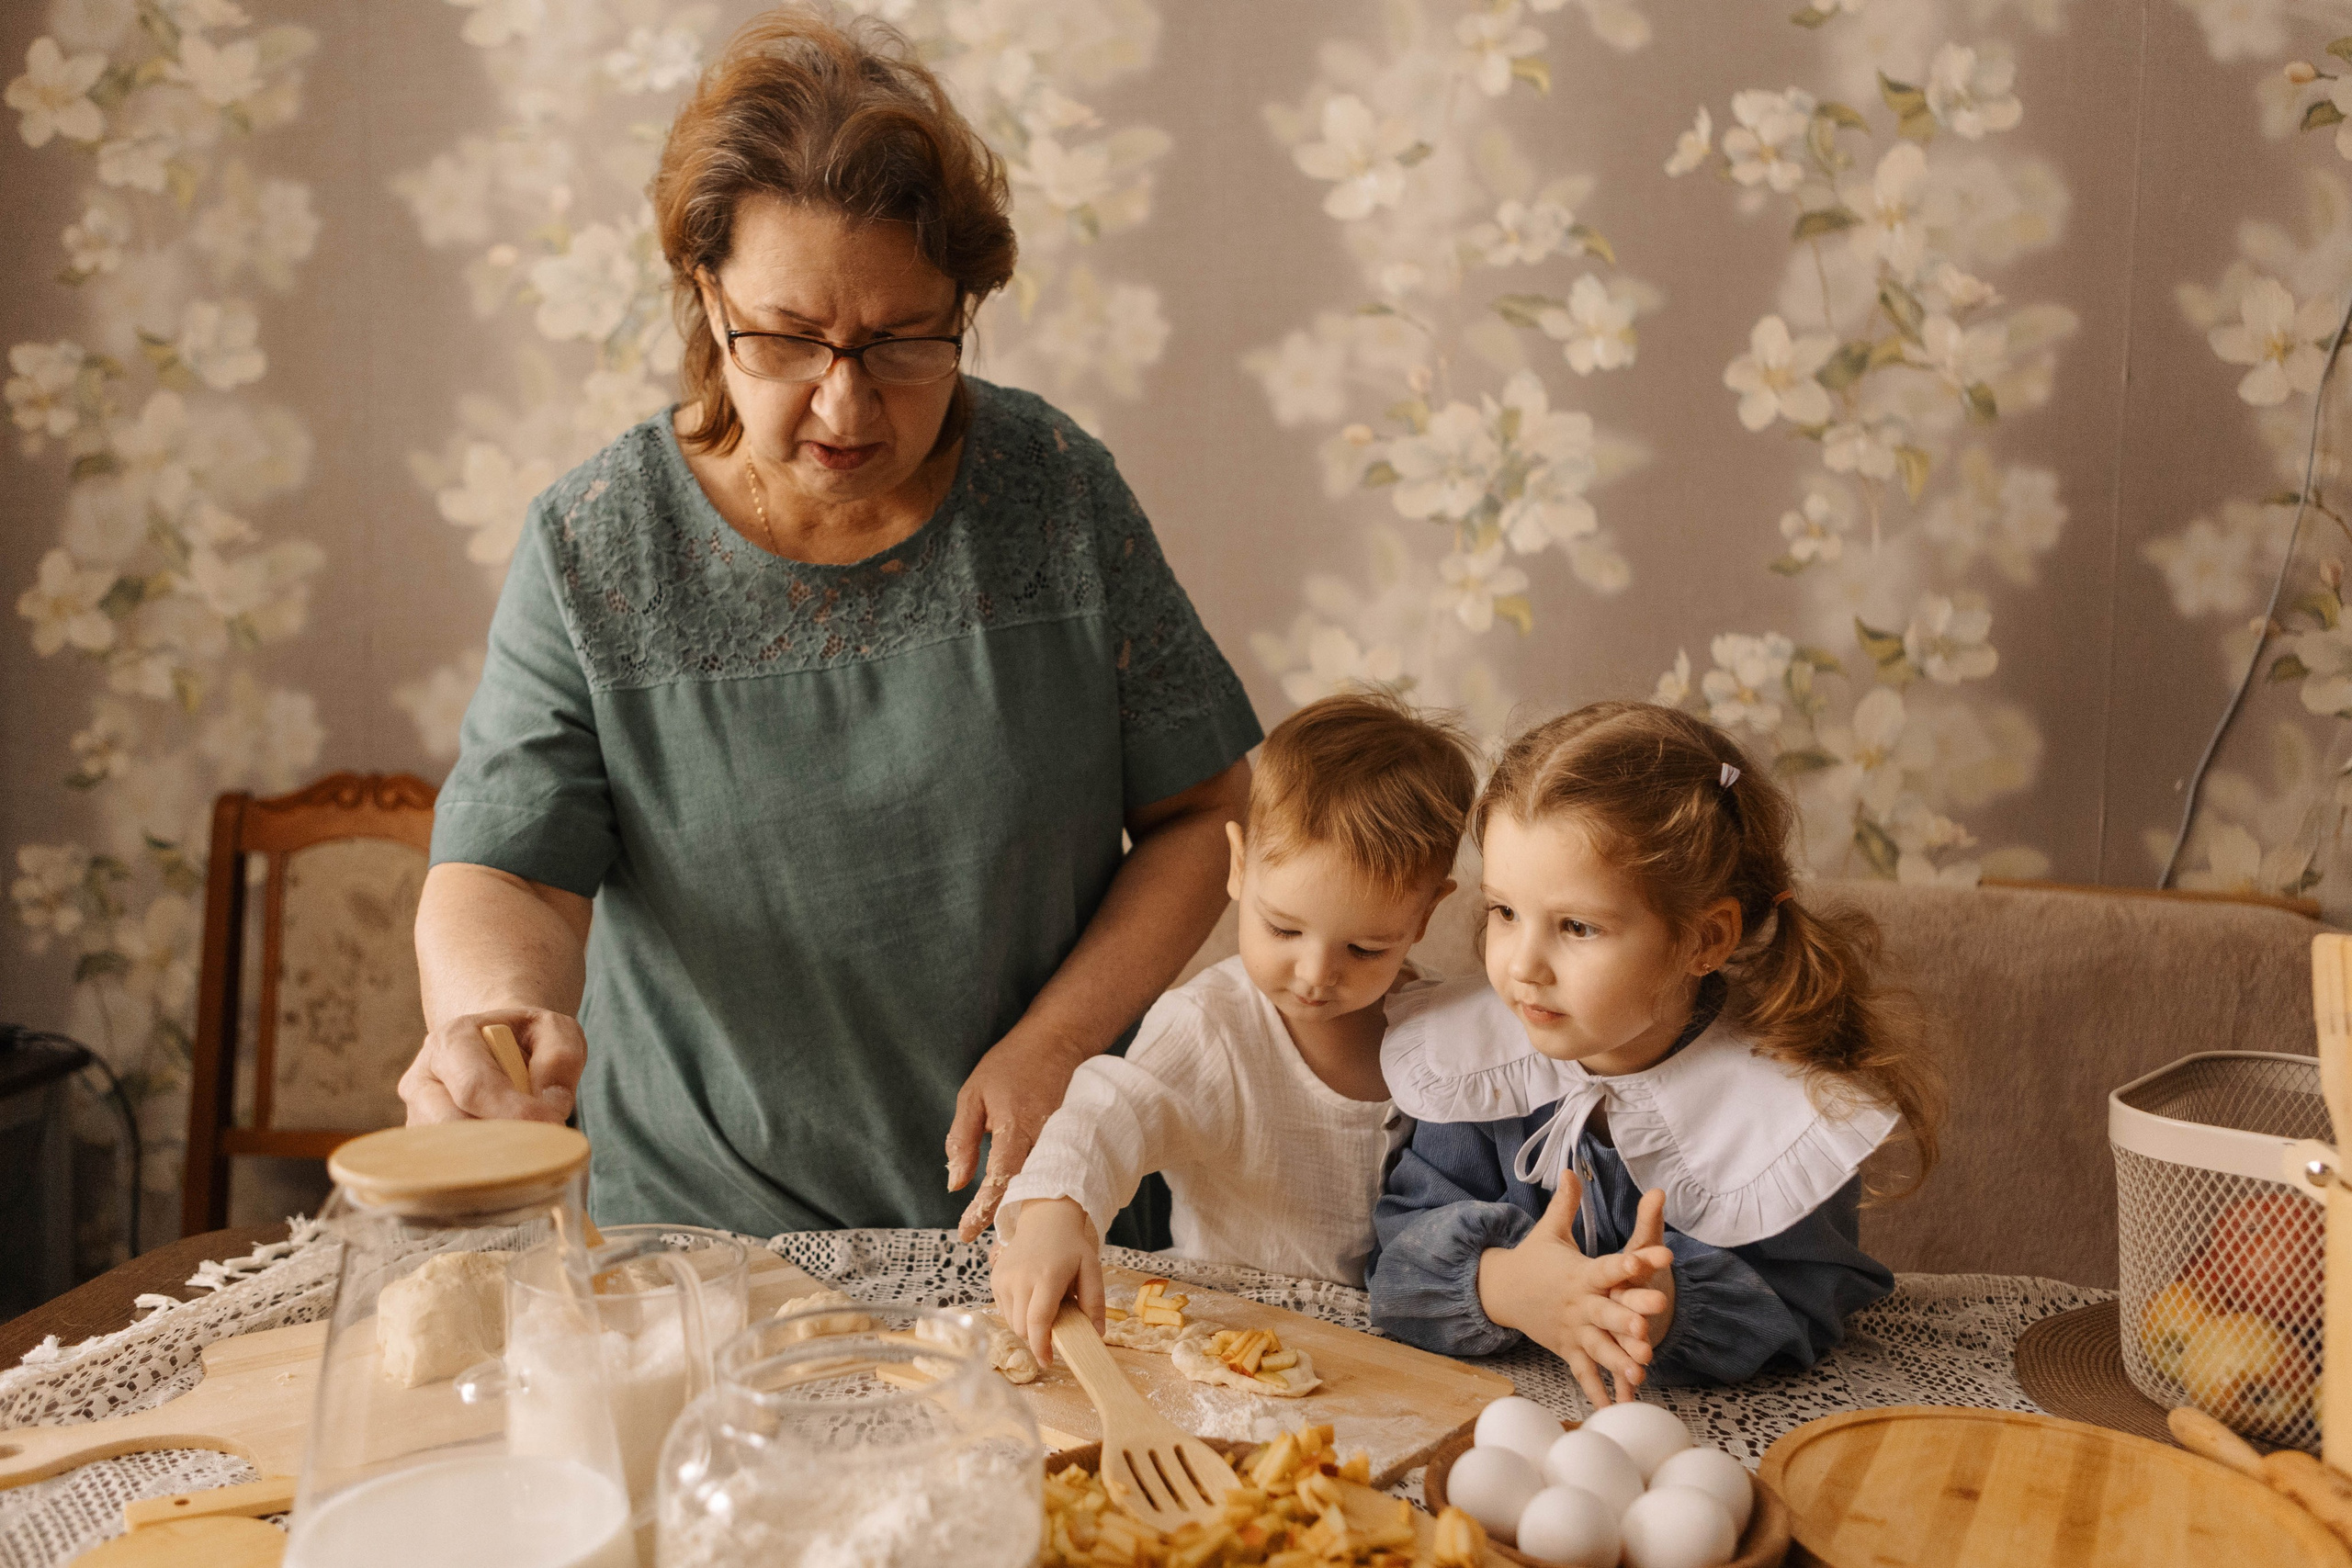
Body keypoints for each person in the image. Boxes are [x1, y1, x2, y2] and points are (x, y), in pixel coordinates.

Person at [400, 9, 1260, 1241]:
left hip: (1047, 1212)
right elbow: (508, 868)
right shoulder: (597, 542)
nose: (847, 402)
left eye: (904, 341)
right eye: (791, 339)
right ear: (707, 293)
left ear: (961, 301)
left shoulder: (1054, 491)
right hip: (708, 1242)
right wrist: (493, 1014)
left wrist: (1060, 1040)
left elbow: (1205, 812)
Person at [1366, 701, 1942, 1409]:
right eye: (1505, 912)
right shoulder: (1475, 1066)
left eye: (1578, 926)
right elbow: (1395, 1261)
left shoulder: (1774, 1105)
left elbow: (1810, 1300)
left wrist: (1669, 1307)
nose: (1523, 965)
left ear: (1704, 939)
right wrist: (1505, 1283)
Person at [991, 694, 1477, 1362]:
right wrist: (1054, 1211)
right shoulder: (1212, 1025)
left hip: (1381, 1359)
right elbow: (1110, 1111)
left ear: (1424, 916)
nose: (1314, 973)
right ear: (1240, 867)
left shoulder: (1451, 1032)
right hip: (1221, 1342)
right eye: (1283, 927)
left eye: (1365, 949)